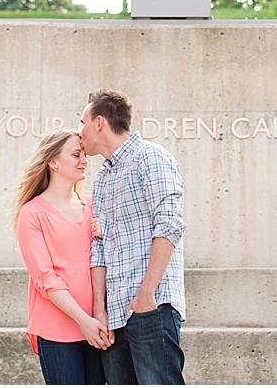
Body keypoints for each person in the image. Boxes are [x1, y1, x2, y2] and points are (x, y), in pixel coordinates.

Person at [79, 90, 187, 385]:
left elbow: (170, 225)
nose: (80, 132)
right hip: (114, 317)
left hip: (151, 308)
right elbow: (98, 248)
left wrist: (146, 295)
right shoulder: (102, 177)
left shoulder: (150, 158)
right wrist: (100, 311)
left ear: (99, 123)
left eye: (82, 122)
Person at [12, 129, 111, 385]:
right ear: (53, 163)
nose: (84, 160)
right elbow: (46, 278)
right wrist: (83, 320)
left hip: (100, 326)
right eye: (76, 154)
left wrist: (112, 232)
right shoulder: (32, 214)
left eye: (84, 154)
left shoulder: (93, 205)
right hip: (57, 330)